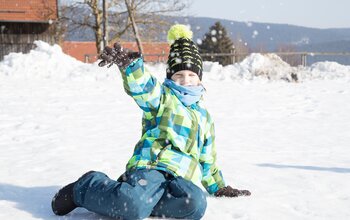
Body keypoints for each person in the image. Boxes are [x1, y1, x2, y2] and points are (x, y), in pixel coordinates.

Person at [51, 24, 251, 220]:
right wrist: (131, 67)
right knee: (133, 206)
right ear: (170, 77)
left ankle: (141, 202)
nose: (186, 80)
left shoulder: (205, 118)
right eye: (179, 75)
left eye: (191, 75)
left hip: (178, 180)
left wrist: (219, 187)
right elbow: (145, 88)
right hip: (152, 169)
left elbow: (208, 160)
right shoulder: (163, 99)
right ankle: (86, 187)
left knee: (195, 205)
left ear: (199, 78)